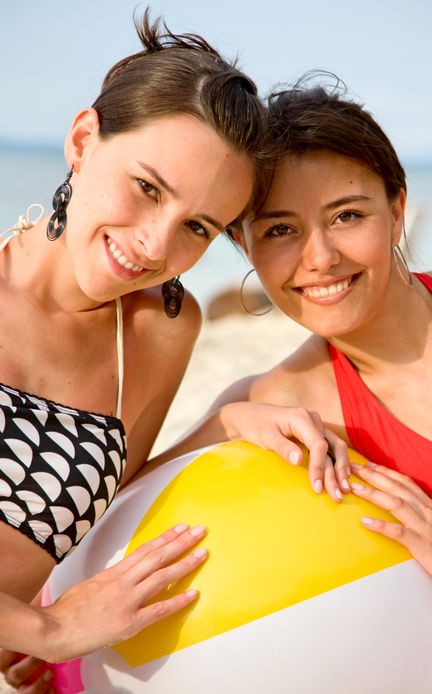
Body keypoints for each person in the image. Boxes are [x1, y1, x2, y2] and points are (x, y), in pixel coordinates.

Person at [1, 9, 340, 684]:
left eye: (197, 227)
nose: (156, 246)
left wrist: (226, 420)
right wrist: (50, 626)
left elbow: (108, 491)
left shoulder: (160, 329)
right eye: (147, 188)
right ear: (82, 139)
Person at [147, 75, 432, 591]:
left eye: (347, 216)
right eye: (279, 230)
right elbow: (117, 527)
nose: (321, 259)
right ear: (244, 246)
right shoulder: (277, 401)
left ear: (397, 213)